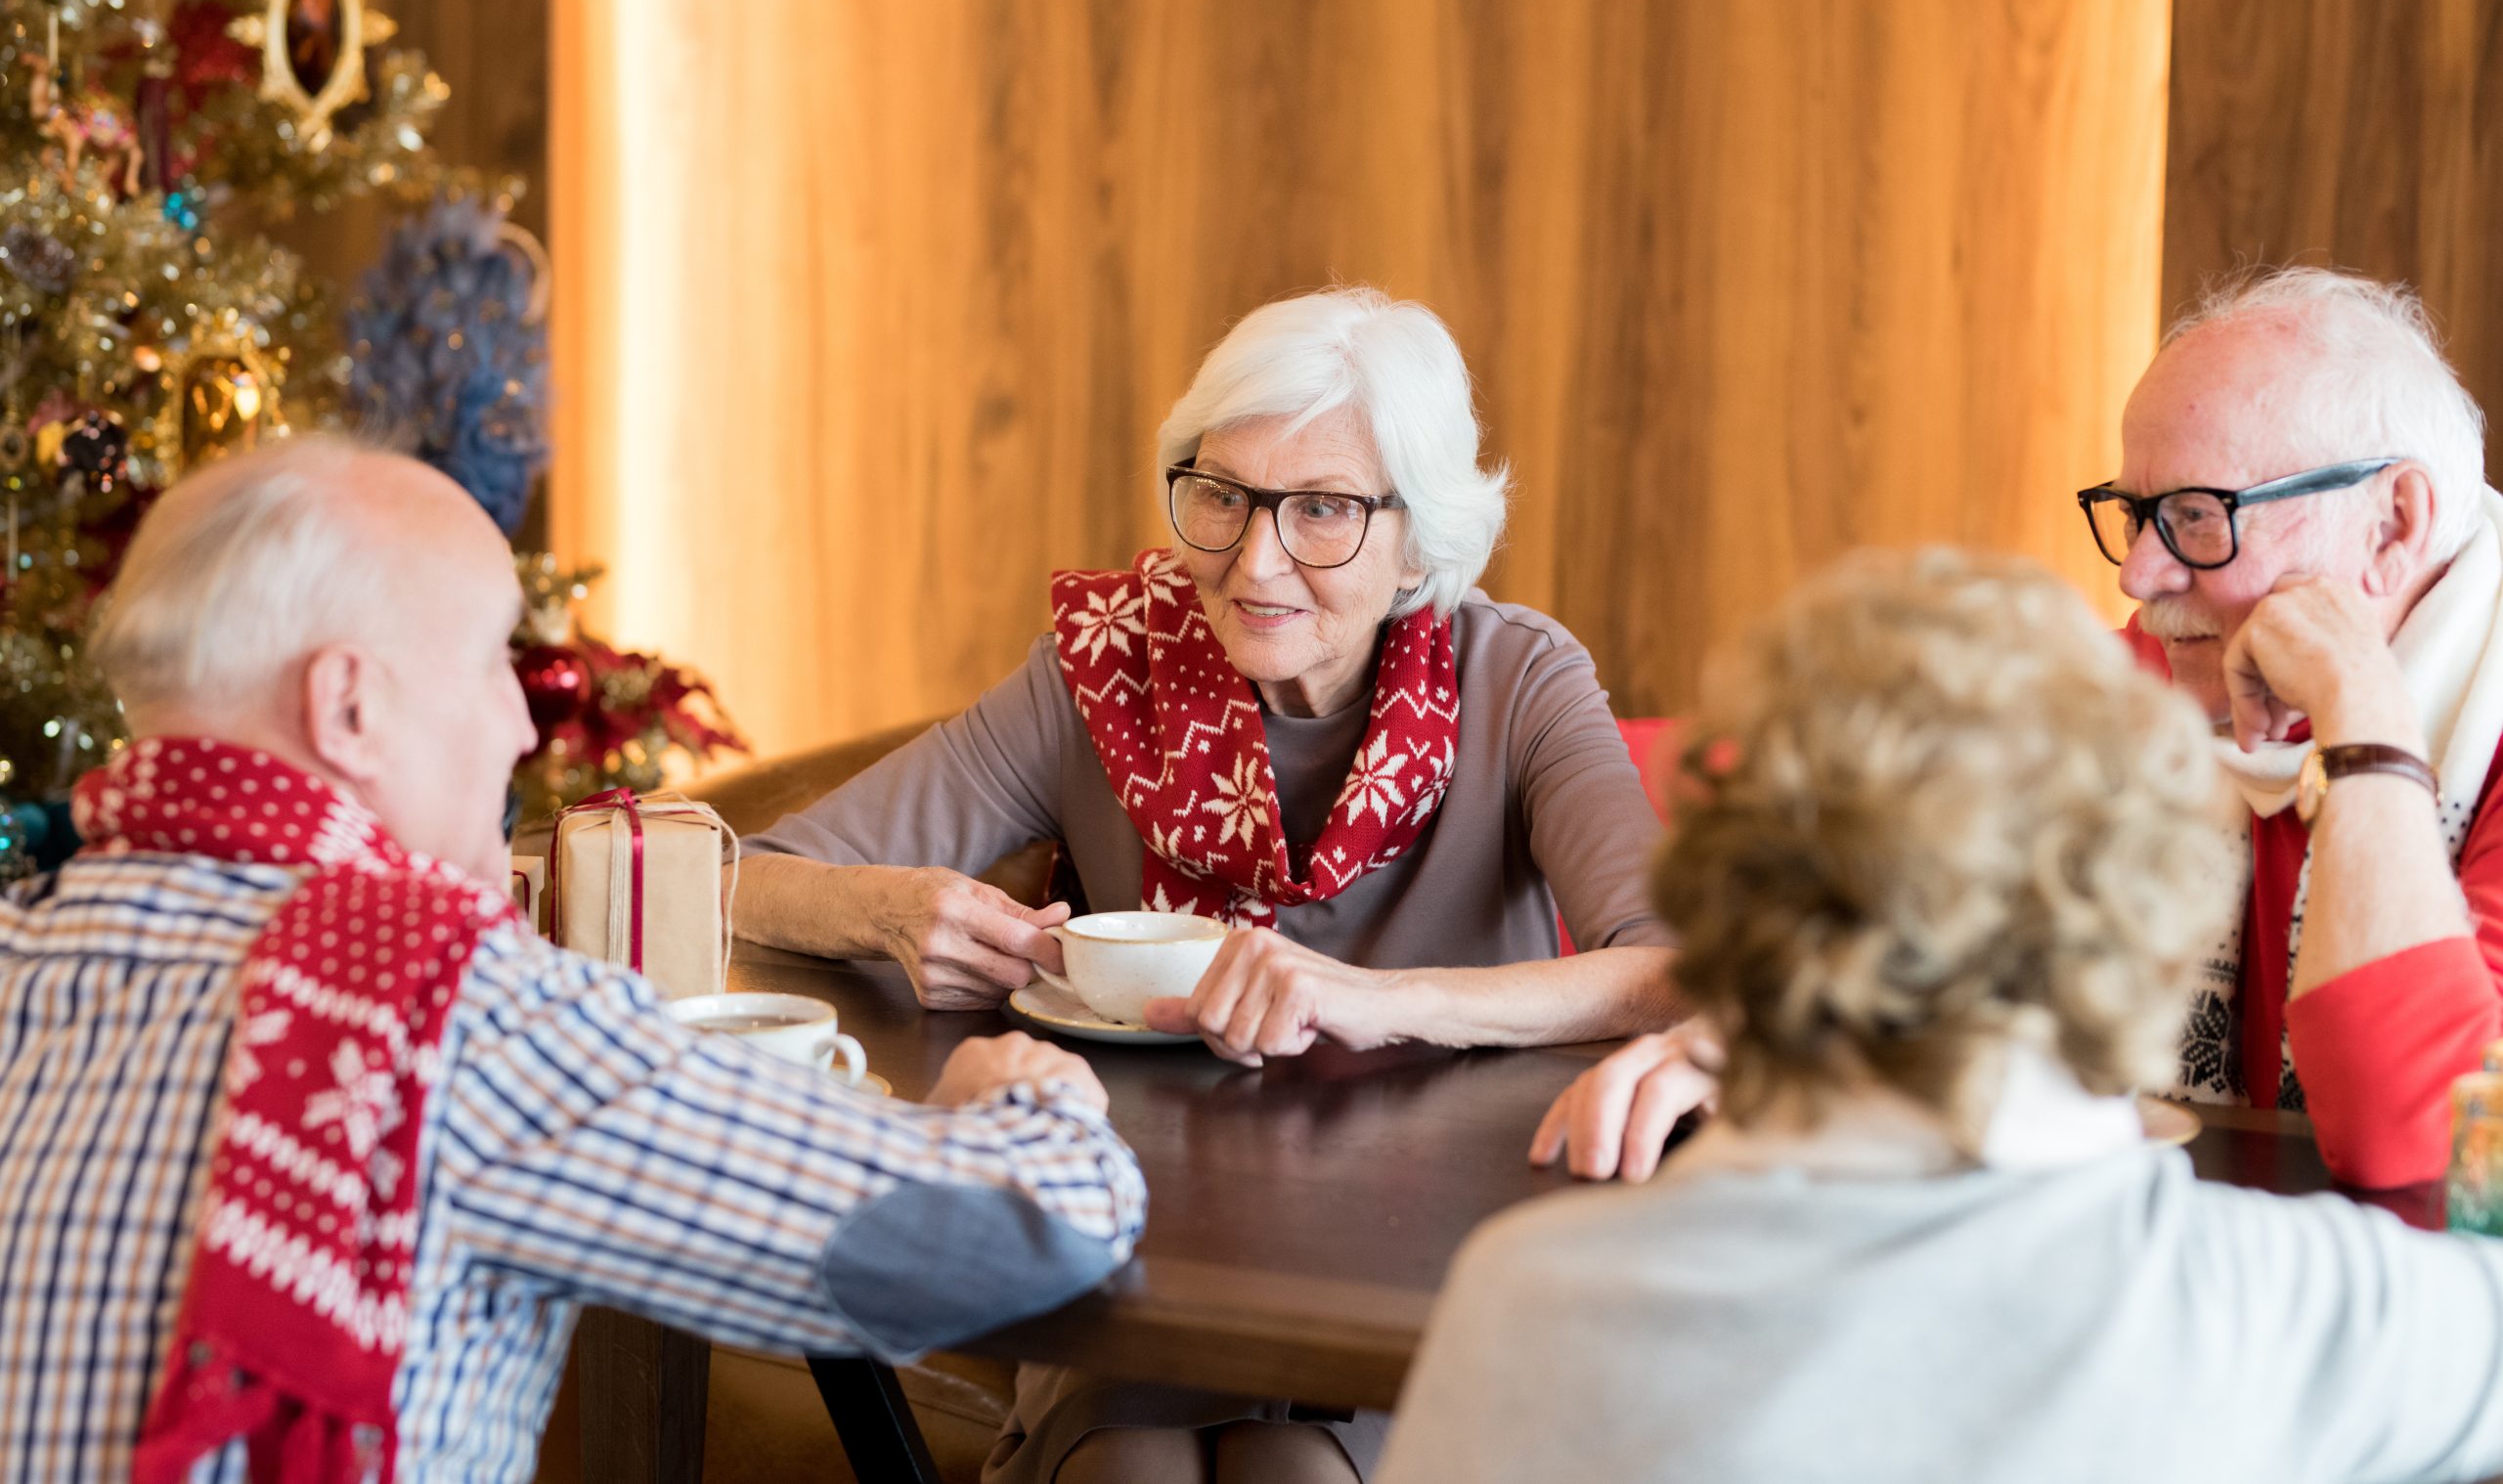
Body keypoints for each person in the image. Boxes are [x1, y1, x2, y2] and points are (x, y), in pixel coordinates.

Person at [0, 437, 1144, 1483]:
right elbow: (1008, 1237)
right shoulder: (455, 1019)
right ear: (347, 706)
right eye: (493, 661)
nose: (518, 726)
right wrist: (1024, 1104)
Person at [737, 286, 1681, 1481]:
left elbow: (1669, 971)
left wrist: (1377, 998)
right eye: (1223, 495)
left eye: (1324, 509)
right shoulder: (1097, 674)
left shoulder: (1519, 681)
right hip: (1150, 1253)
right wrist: (889, 909)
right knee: (1127, 1468)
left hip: (1419, 1261)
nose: (1254, 560)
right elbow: (753, 874)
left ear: (1419, 540)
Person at [1383, 548, 2503, 1484]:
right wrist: (2367, 725)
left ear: (1729, 865)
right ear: (2150, 908)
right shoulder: (2288, 1316)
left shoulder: (1531, 1309)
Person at [1542, 267, 2503, 1191]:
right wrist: (1763, 1046)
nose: (2139, 578)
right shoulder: (2148, 680)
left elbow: (2420, 1139)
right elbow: (1895, 907)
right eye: (2134, 516)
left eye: (2197, 518)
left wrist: (2364, 717)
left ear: (2391, 524)